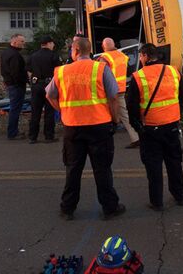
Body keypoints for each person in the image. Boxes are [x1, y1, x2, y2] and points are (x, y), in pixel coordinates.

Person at [46, 37, 125, 221]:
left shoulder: (62, 71)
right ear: (89, 50)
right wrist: (114, 118)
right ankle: (109, 207)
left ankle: (67, 208)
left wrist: (64, 111)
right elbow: (113, 96)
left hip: (73, 127)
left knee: (73, 169)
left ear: (74, 51)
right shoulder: (100, 68)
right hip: (99, 126)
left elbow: (49, 95)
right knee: (102, 169)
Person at [127, 44, 183, 211]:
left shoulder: (138, 77)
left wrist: (136, 125)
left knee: (153, 166)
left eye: (140, 56)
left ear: (146, 55)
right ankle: (179, 195)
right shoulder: (173, 71)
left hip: (150, 128)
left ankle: (157, 201)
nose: (140, 59)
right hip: (172, 125)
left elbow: (131, 106)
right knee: (174, 161)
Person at [99, 37, 140, 149]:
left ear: (103, 47)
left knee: (104, 113)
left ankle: (136, 137)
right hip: (121, 89)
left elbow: (101, 74)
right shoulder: (122, 56)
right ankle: (136, 137)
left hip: (109, 91)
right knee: (124, 114)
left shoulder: (104, 58)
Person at [26, 35, 62, 144]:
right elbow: (59, 71)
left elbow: (28, 71)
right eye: (52, 43)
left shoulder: (33, 56)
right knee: (49, 112)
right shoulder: (54, 56)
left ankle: (33, 137)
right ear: (48, 44)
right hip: (49, 85)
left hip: (36, 86)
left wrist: (32, 82)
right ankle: (49, 136)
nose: (54, 45)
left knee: (35, 112)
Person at [0, 33, 28, 140]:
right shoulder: (15, 55)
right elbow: (16, 72)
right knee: (15, 109)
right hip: (16, 85)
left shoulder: (6, 52)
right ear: (15, 41)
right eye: (22, 41)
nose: (23, 44)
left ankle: (13, 131)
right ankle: (12, 132)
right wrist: (22, 82)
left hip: (10, 83)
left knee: (14, 108)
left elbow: (3, 69)